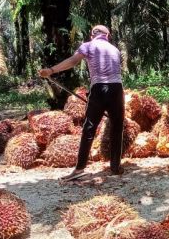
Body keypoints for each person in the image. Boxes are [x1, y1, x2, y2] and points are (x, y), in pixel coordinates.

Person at [40, 25, 124, 181]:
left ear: (92, 35)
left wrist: (51, 70)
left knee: (89, 128)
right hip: (117, 89)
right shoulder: (115, 49)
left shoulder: (88, 45)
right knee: (117, 127)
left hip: (98, 89)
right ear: (107, 36)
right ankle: (115, 167)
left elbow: (73, 61)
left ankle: (79, 169)